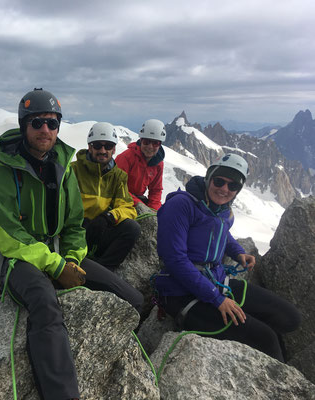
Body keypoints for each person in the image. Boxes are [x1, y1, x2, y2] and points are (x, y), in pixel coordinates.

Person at [0, 88, 144, 400]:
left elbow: (73, 224)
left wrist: (71, 259)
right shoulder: (1, 172)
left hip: (59, 253)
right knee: (45, 305)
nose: (46, 130)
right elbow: (6, 233)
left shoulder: (62, 167)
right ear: (23, 125)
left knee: (133, 299)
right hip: (18, 261)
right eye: (37, 123)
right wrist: (56, 266)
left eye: (53, 123)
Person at [154, 153, 301, 362]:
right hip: (181, 294)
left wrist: (238, 252)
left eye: (233, 187)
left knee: (289, 318)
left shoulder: (222, 210)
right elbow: (175, 260)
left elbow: (222, 232)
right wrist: (217, 298)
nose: (224, 189)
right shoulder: (181, 205)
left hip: (216, 280)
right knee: (266, 339)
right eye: (219, 181)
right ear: (209, 178)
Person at [71, 122, 141, 269]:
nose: (102, 150)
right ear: (89, 147)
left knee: (131, 228)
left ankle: (103, 269)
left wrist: (109, 217)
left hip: (99, 229)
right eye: (97, 146)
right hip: (75, 230)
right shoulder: (74, 170)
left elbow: (128, 208)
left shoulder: (118, 176)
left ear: (114, 149)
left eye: (108, 146)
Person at [115, 119, 166, 211]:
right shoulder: (126, 158)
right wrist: (139, 205)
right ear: (141, 140)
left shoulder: (158, 163)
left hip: (138, 199)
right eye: (146, 142)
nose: (150, 147)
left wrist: (154, 210)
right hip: (120, 198)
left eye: (155, 143)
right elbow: (118, 187)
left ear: (160, 144)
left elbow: (155, 190)